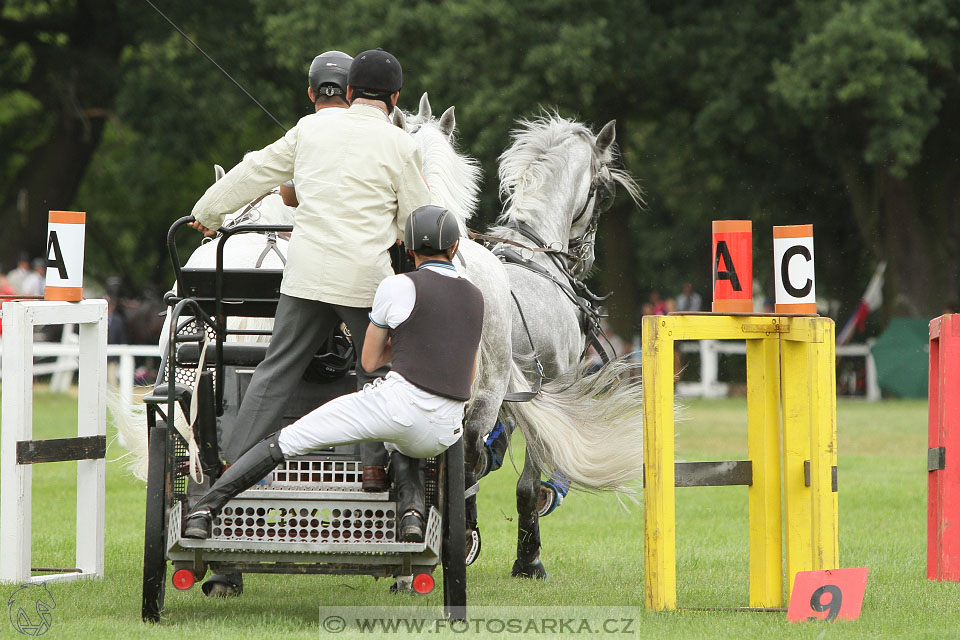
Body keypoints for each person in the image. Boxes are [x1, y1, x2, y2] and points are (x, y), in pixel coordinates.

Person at [189, 47, 432, 478]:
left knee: (275, 370)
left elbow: (253, 172)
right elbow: (417, 222)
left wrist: (207, 213)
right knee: (375, 371)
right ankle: (374, 469)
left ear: (352, 91)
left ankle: (232, 465)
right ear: (395, 99)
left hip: (303, 280)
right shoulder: (400, 144)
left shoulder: (307, 131)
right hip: (364, 285)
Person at [182, 205, 483, 543]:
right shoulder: (475, 296)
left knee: (287, 440)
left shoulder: (395, 287)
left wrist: (403, 345)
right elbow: (468, 375)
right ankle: (411, 514)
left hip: (396, 409)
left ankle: (205, 510)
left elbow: (368, 363)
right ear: (454, 247)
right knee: (405, 442)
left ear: (409, 249)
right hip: (445, 429)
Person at [279, 50, 353, 208]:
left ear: (311, 94)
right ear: (350, 93)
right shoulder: (376, 131)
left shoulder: (297, 133)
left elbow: (288, 198)